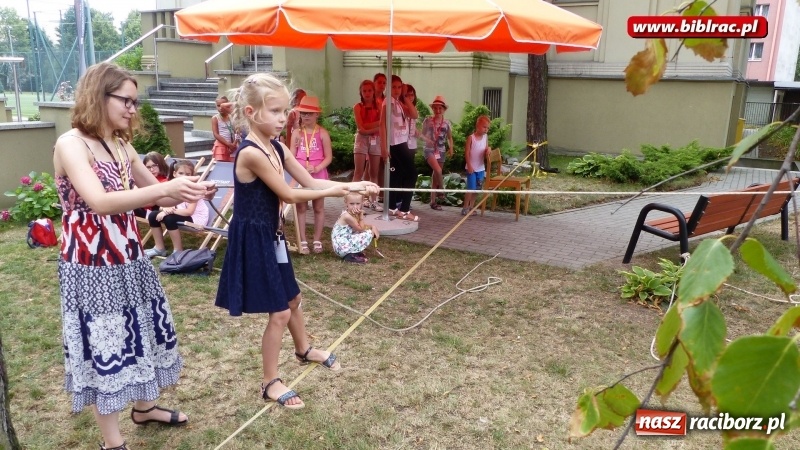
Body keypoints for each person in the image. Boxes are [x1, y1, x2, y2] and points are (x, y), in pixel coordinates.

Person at [52, 62, 214, 450]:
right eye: (126, 100)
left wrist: (189, 190)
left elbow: (156, 191)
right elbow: (102, 202)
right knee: (105, 344)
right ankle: (112, 442)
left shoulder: (122, 145)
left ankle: (144, 408)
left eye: (135, 102)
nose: (132, 109)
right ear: (99, 95)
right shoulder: (70, 144)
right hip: (91, 264)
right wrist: (167, 189)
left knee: (141, 330)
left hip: (128, 254)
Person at [215, 72, 378, 410]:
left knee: (292, 298)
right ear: (250, 112)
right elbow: (289, 193)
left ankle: (303, 349)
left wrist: (353, 186)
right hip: (254, 240)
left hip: (273, 235)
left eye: (283, 111)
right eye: (274, 111)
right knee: (277, 313)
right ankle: (270, 382)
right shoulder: (251, 153)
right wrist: (341, 190)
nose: (282, 118)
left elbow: (311, 180)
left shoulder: (276, 147)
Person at [289, 96, 333, 254]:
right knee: (300, 206)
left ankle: (317, 239)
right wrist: (297, 170)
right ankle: (302, 240)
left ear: (317, 115)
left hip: (318, 174)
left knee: (318, 207)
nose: (305, 116)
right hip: (300, 174)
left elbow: (328, 157)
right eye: (303, 113)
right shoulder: (296, 133)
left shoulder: (322, 133)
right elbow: (291, 156)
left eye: (309, 113)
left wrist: (317, 167)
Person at [144, 159, 210, 257]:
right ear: (174, 174)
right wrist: (164, 209)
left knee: (170, 218)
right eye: (181, 173)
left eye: (188, 174)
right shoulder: (174, 188)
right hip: (182, 214)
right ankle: (159, 248)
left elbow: (189, 212)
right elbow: (163, 204)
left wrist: (169, 212)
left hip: (196, 220)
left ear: (192, 176)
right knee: (153, 215)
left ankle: (178, 251)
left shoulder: (194, 189)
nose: (184, 176)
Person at [380, 75, 419, 221]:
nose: (396, 90)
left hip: (402, 142)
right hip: (395, 144)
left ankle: (392, 207)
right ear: (388, 88)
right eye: (393, 87)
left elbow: (414, 115)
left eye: (399, 87)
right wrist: (384, 148)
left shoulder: (397, 102)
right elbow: (382, 125)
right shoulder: (387, 102)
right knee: (412, 173)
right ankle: (404, 210)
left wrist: (405, 96)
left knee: (396, 176)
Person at [352, 80, 383, 211]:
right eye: (364, 91)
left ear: (373, 91)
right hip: (361, 140)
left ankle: (373, 200)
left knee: (373, 172)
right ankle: (353, 201)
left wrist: (368, 128)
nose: (367, 93)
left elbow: (382, 124)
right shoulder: (357, 107)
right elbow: (361, 129)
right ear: (361, 92)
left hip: (376, 140)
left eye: (369, 90)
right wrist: (376, 126)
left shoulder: (380, 105)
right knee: (358, 172)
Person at [421, 95, 453, 211]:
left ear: (444, 109)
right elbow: (421, 134)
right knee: (438, 171)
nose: (438, 110)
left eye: (440, 108)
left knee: (435, 176)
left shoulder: (447, 123)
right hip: (429, 150)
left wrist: (451, 148)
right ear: (432, 109)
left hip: (441, 151)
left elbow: (449, 138)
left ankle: (433, 201)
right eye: (435, 108)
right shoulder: (428, 120)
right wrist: (427, 140)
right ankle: (441, 191)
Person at [331, 191, 380, 264]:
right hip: (341, 246)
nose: (355, 206)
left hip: (342, 243)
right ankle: (349, 256)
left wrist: (372, 226)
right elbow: (361, 229)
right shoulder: (347, 216)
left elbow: (359, 227)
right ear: (346, 202)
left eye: (357, 204)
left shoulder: (350, 213)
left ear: (362, 202)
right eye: (351, 204)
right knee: (368, 233)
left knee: (364, 231)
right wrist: (361, 217)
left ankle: (353, 252)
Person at [463, 115, 491, 216]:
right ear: (477, 125)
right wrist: (469, 165)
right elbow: (466, 153)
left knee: (476, 189)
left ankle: (472, 207)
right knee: (470, 188)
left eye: (487, 128)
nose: (486, 130)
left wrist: (488, 150)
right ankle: (465, 207)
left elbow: (486, 150)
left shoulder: (485, 137)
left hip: (480, 168)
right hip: (471, 168)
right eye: (484, 127)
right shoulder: (471, 138)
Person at [133, 151, 169, 219]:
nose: (152, 169)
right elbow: (134, 193)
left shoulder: (165, 182)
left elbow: (150, 203)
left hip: (152, 214)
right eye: (148, 167)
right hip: (141, 210)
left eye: (154, 166)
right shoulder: (142, 180)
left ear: (161, 165)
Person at [212, 95, 237, 162]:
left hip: (232, 144)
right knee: (221, 165)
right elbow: (215, 134)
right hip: (221, 145)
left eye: (223, 105)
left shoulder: (232, 117)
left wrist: (234, 144)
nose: (221, 108)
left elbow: (236, 131)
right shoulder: (215, 118)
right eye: (218, 106)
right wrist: (228, 144)